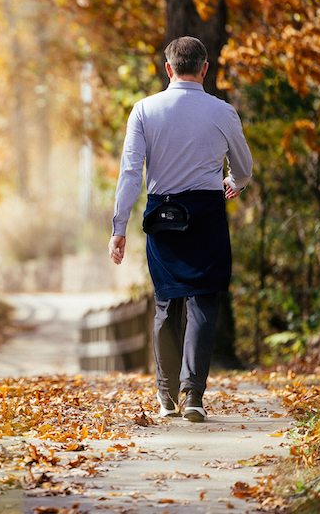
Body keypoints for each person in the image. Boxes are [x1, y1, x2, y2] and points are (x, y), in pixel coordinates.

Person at [108, 36, 252, 422]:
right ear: (205, 69)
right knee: (204, 301)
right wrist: (234, 182)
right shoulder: (223, 112)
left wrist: (119, 226)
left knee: (167, 301)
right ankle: (193, 396)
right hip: (206, 213)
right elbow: (244, 168)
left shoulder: (143, 110)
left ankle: (165, 396)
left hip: (162, 216)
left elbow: (130, 173)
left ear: (168, 69)